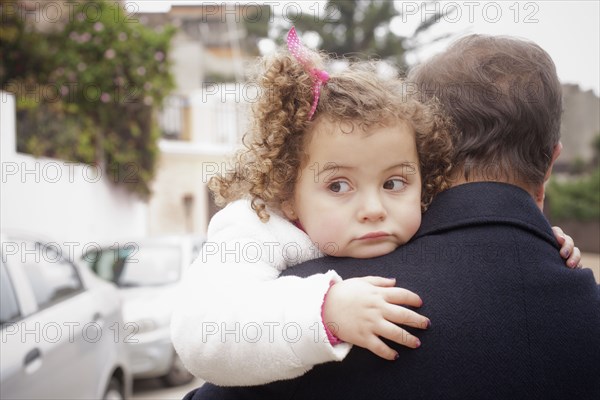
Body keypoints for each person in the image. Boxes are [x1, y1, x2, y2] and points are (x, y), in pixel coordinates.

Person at [182, 34, 599, 399]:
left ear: (431, 171)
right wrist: (323, 314)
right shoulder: (256, 236)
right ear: (287, 190)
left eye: (394, 183)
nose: (373, 209)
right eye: (338, 186)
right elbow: (201, 333)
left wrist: (546, 237)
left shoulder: (384, 246)